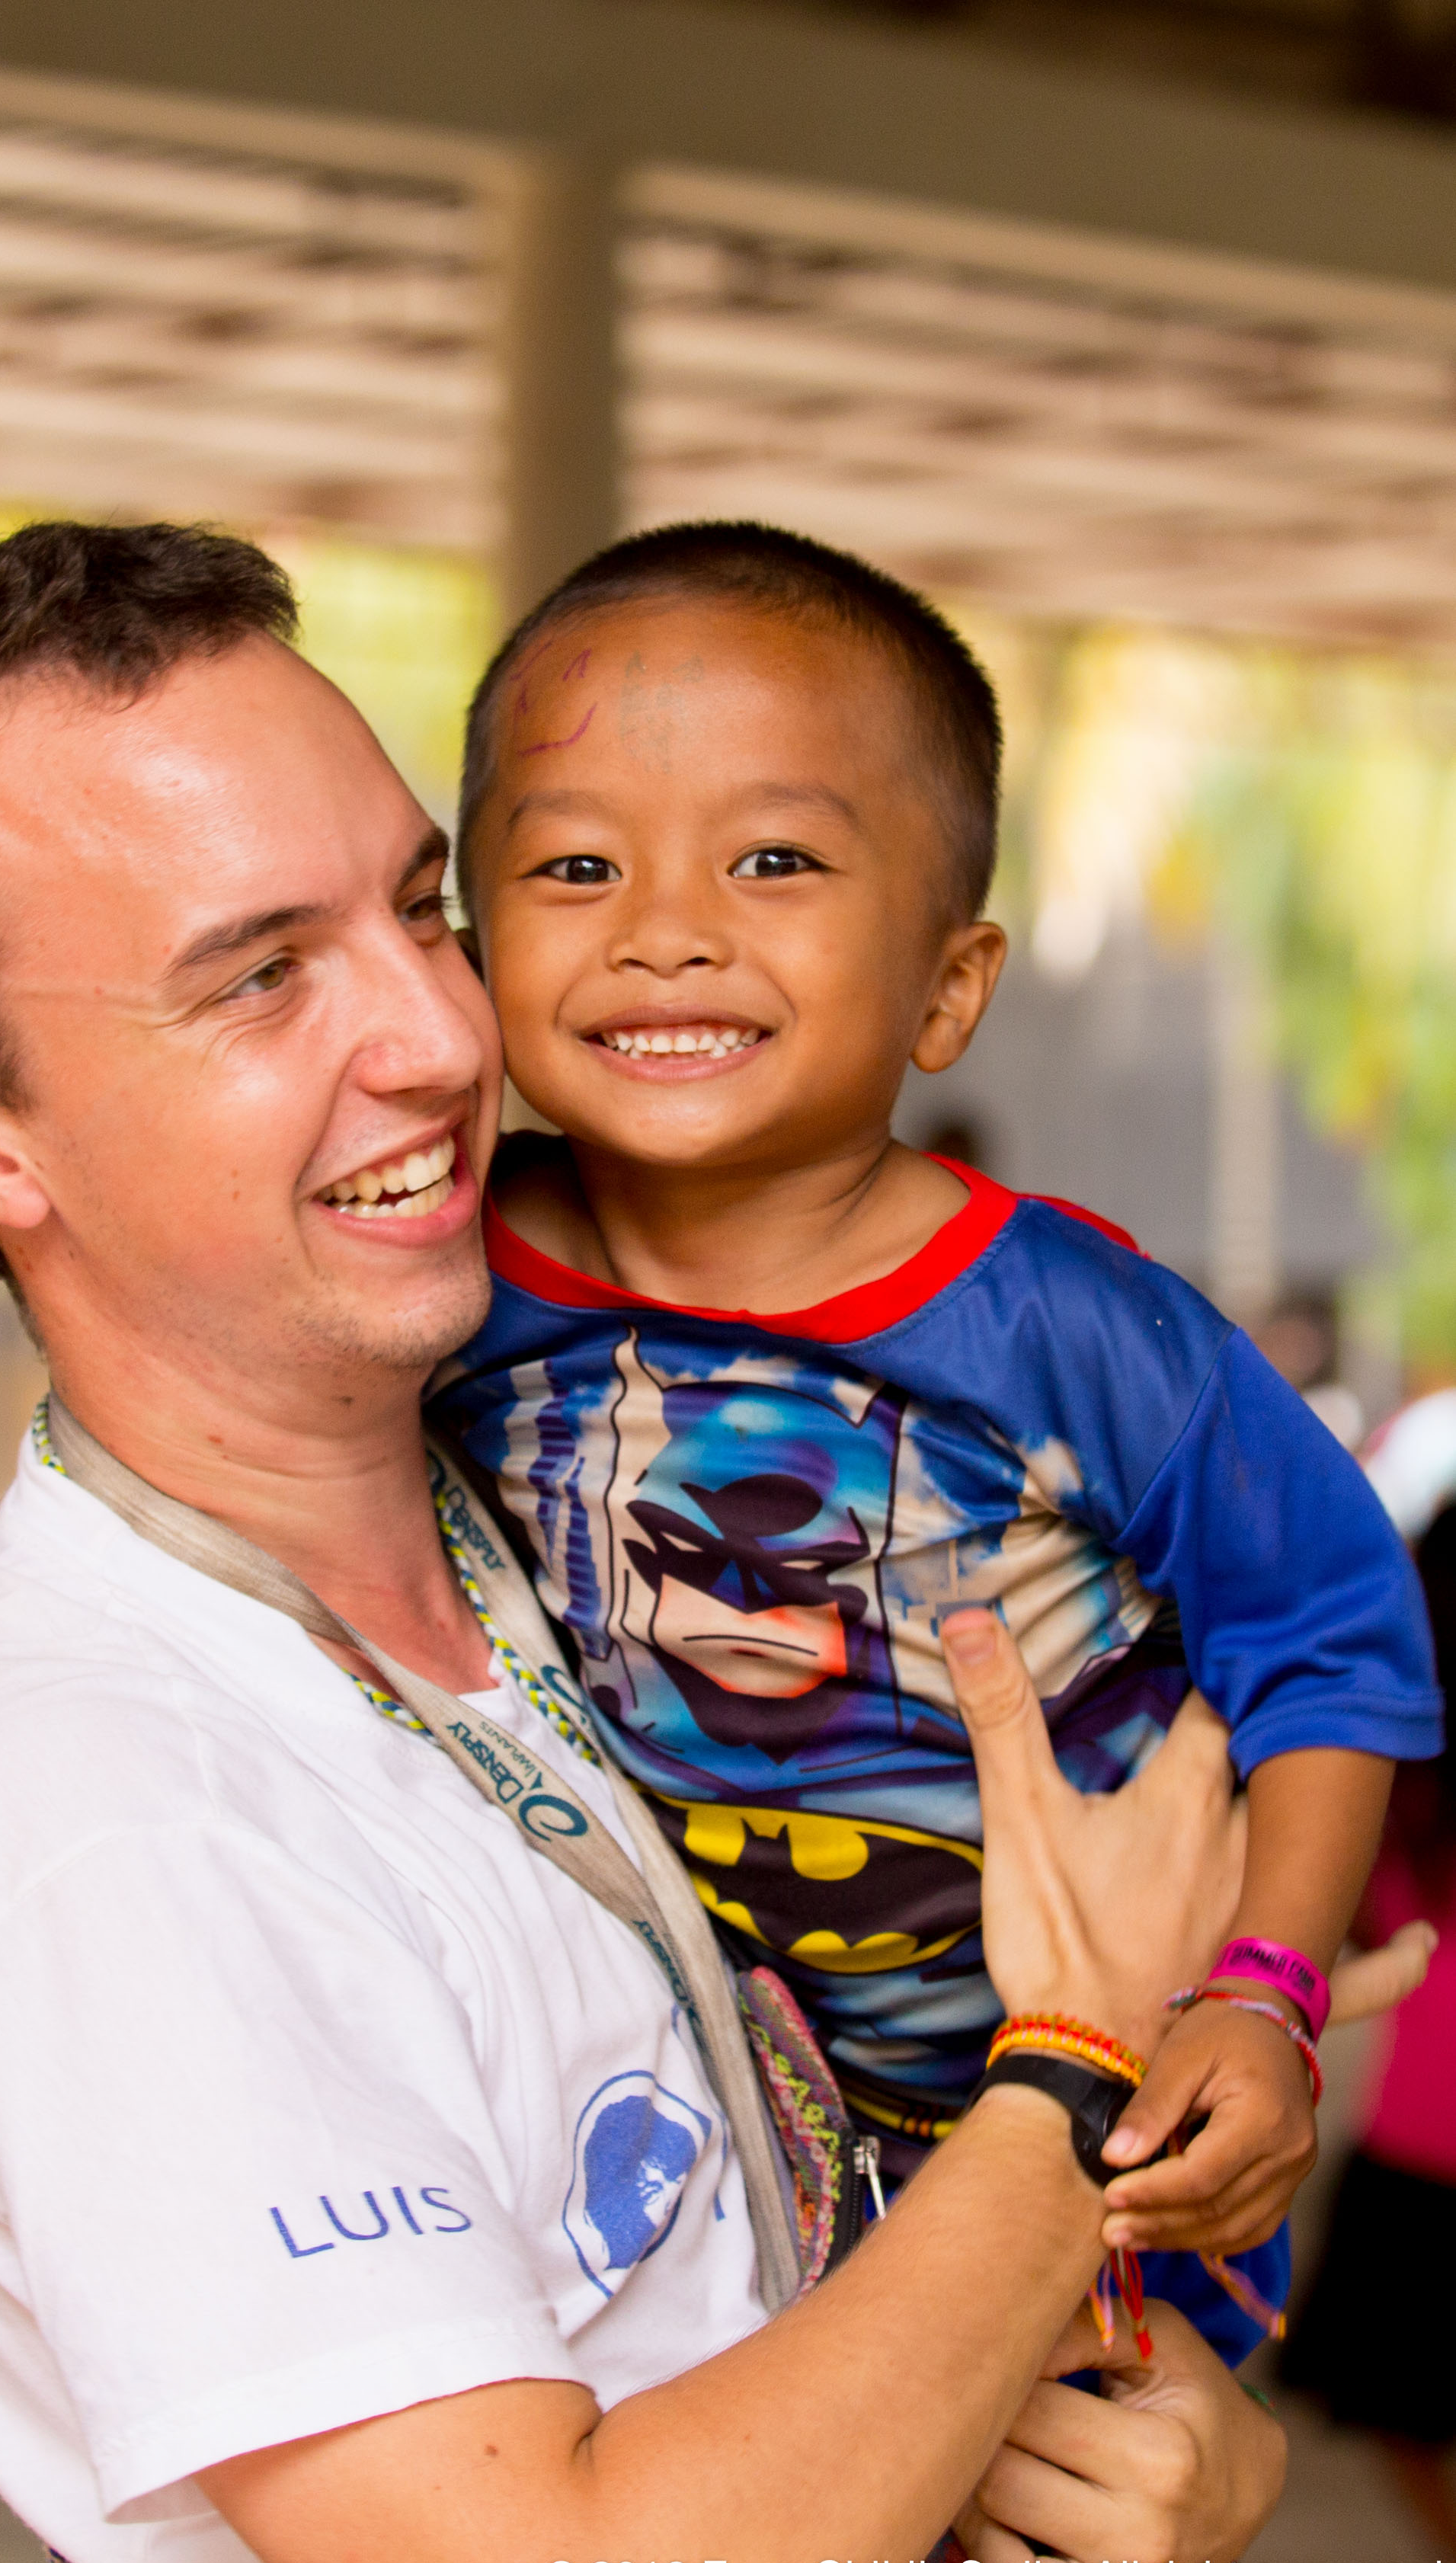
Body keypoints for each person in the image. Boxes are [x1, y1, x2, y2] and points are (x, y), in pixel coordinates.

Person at [0, 520, 1286, 2563]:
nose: (447, 1041)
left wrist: (1140, 2429)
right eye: (262, 973)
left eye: (418, 907)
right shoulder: (108, 1815)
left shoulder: (532, 1507)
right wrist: (1064, 2061)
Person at [420, 521, 1439, 2353]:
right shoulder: (428, 1286)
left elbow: (1332, 1647)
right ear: (472, 946)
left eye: (774, 858)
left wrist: (1266, 1994)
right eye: (577, 862)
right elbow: (227, 1492)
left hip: (1097, 2155)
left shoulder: (1074, 1332)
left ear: (946, 985)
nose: (663, 928)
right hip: (683, 2164)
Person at [1283, 1500, 1456, 2555]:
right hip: (1416, 2155)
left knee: (1404, 2415)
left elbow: (1366, 1919)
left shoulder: (1403, 1773)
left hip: (1423, 2153)